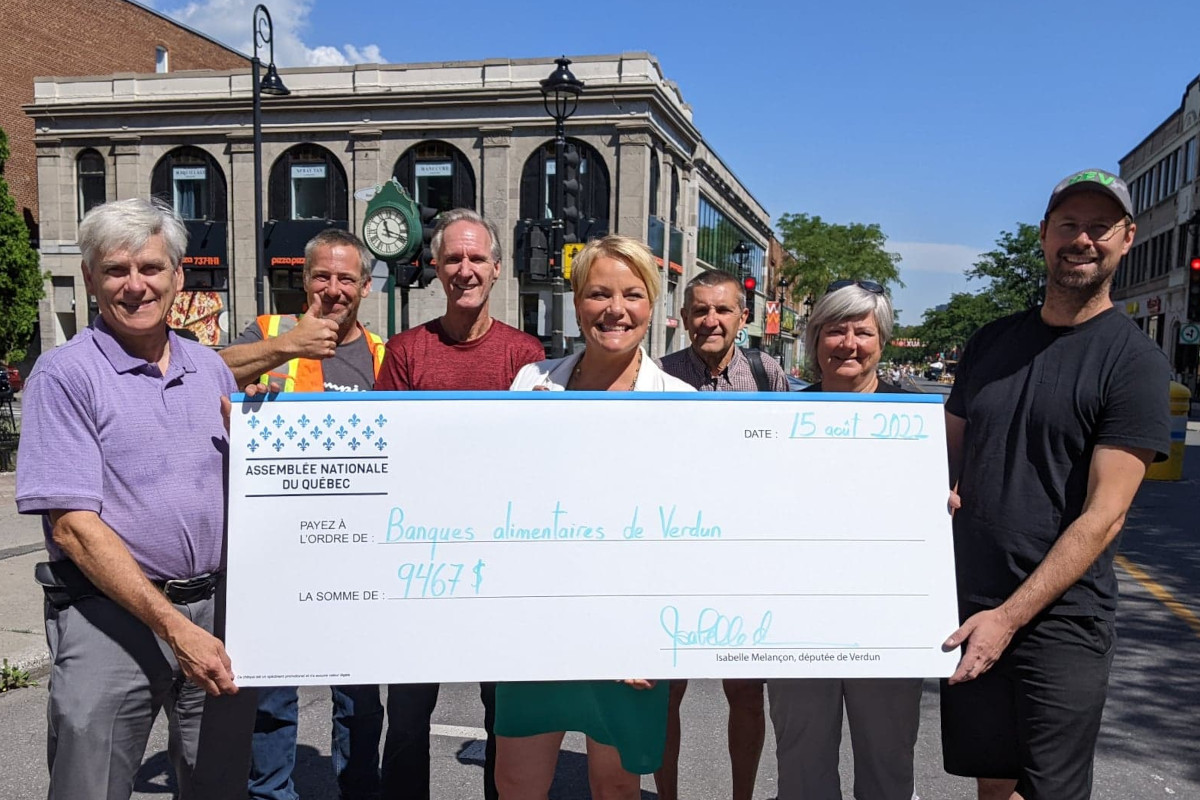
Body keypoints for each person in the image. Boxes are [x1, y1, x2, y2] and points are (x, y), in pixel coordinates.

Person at [940, 169, 1170, 800]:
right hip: (968, 602)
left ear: (1127, 238)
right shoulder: (991, 341)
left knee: (1046, 791)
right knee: (992, 781)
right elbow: (940, 457)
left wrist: (1009, 619)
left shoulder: (1135, 363)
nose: (1082, 239)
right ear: (1044, 236)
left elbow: (1105, 516)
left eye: (1100, 227)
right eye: (1069, 225)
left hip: (1060, 621)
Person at [15, 198, 254, 799]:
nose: (135, 285)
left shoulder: (210, 370)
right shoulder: (65, 374)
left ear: (178, 274)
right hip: (108, 617)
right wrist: (175, 629)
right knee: (89, 787)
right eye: (116, 270)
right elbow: (72, 526)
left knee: (217, 785)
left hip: (217, 612)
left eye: (150, 267)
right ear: (91, 279)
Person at [499, 234, 694, 800]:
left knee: (615, 784)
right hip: (538, 618)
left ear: (652, 305)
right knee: (517, 781)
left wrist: (653, 634)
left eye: (632, 294)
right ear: (578, 301)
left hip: (630, 630)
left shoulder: (681, 402)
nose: (615, 309)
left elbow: (688, 532)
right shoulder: (529, 384)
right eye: (599, 294)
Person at [373, 208, 544, 800]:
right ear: (437, 268)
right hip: (418, 557)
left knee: (506, 713)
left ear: (496, 269)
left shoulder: (526, 354)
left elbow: (537, 462)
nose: (465, 269)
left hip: (501, 557)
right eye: (454, 258)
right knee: (409, 713)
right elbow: (383, 455)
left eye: (476, 259)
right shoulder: (404, 351)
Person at [220, 228, 387, 800]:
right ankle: (270, 793)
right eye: (323, 276)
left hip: (355, 554)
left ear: (365, 286)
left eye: (346, 279)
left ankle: (358, 790)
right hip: (274, 556)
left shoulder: (384, 354)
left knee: (361, 701)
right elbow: (208, 373)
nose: (334, 289)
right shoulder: (265, 333)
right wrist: (287, 346)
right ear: (304, 280)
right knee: (270, 699)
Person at [766, 279, 924, 800]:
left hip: (889, 619)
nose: (849, 343)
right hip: (797, 620)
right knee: (801, 763)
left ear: (882, 340)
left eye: (864, 331)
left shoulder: (921, 423)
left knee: (888, 762)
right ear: (814, 340)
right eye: (836, 330)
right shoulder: (775, 417)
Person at [655, 268, 785, 800]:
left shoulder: (767, 371)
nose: (711, 320)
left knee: (747, 696)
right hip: (676, 553)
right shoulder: (658, 376)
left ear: (743, 317)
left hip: (742, 560)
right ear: (683, 318)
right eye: (700, 310)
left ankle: (742, 797)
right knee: (667, 695)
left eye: (722, 310)